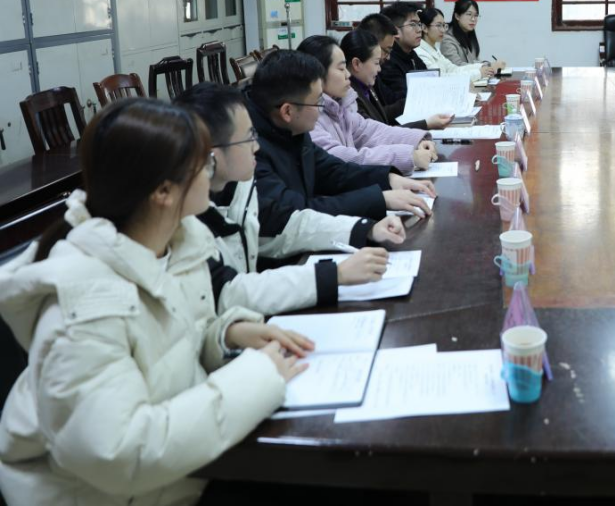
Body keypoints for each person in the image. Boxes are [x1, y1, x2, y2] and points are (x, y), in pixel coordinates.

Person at [0, 99, 308, 505]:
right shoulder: (84, 304)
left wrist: (226, 334)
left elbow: (173, 342)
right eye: (203, 164)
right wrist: (259, 377)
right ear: (163, 191)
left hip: (176, 476)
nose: (212, 172)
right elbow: (121, 454)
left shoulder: (174, 246)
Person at [176, 83, 407, 316]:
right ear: (211, 155)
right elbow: (228, 292)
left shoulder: (238, 184)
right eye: (248, 138)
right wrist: (334, 275)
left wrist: (364, 229)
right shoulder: (185, 220)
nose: (256, 146)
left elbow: (285, 224)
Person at [244, 50, 435, 238]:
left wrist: (388, 179)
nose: (320, 111)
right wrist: (379, 199)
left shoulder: (289, 126)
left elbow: (332, 171)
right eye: (318, 103)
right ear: (287, 111)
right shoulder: (249, 150)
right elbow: (294, 212)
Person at [299, 35, 437, 174]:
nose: (347, 74)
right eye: (341, 69)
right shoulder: (308, 116)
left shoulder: (340, 106)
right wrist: (408, 156)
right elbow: (340, 158)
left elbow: (371, 131)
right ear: (317, 74)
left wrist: (417, 140)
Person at [350, 19, 450, 131]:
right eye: (386, 51)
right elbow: (377, 130)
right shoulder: (352, 92)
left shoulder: (369, 76)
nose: (388, 57)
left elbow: (382, 117)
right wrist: (425, 123)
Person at [417, 6, 494, 79]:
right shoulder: (420, 53)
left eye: (444, 25)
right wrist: (479, 73)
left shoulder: (435, 50)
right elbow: (441, 78)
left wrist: (481, 67)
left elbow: (454, 69)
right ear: (424, 28)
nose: (443, 30)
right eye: (438, 25)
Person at [378, 2, 429, 102]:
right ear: (396, 31)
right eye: (413, 24)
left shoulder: (411, 54)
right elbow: (403, 98)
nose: (419, 30)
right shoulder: (387, 60)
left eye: (419, 24)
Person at [441, 0, 506, 69]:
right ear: (457, 16)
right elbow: (457, 66)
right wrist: (489, 65)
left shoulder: (469, 34)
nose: (473, 19)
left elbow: (474, 62)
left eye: (476, 15)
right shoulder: (447, 40)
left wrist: (490, 65)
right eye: (469, 14)